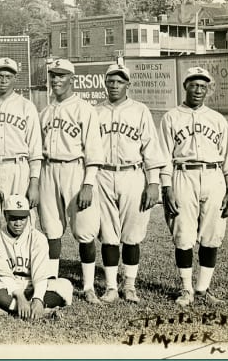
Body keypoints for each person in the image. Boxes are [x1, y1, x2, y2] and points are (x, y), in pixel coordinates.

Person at [160, 67, 228, 307]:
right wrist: (167, 187)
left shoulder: (217, 119)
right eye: (194, 85)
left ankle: (203, 288)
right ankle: (186, 289)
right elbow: (163, 156)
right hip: (183, 176)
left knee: (212, 235)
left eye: (203, 86)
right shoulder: (171, 117)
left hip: (214, 175)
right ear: (185, 86)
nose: (198, 90)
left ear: (208, 90)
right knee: (183, 234)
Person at [29, 58, 104, 304]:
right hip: (49, 168)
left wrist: (88, 184)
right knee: (51, 230)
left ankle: (88, 286)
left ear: (72, 79)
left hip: (76, 169)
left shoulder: (84, 109)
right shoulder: (45, 112)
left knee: (84, 231)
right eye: (53, 76)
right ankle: (51, 281)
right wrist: (36, 181)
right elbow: (38, 151)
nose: (56, 80)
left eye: (61, 76)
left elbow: (93, 150)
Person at [93, 62, 169, 303]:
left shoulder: (140, 110)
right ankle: (111, 287)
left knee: (132, 234)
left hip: (133, 174)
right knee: (108, 234)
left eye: (120, 81)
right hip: (103, 175)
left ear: (128, 85)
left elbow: (152, 149)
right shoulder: (95, 112)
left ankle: (130, 285)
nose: (114, 85)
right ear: (105, 83)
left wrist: (154, 182)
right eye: (111, 81)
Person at [0, 57, 44, 242]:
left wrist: (34, 183)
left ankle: (20, 266)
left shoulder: (26, 106)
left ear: (15, 78)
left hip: (17, 167)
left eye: (8, 76)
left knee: (20, 219)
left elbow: (35, 149)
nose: (4, 79)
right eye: (0, 75)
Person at [0, 194, 74, 319]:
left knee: (64, 286)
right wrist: (20, 297)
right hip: (7, 287)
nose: (18, 223)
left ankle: (9, 309)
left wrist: (38, 298)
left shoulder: (38, 238)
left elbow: (40, 274)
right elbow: (3, 275)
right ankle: (39, 311)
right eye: (13, 218)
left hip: (32, 285)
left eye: (22, 218)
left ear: (28, 217)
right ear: (5, 215)